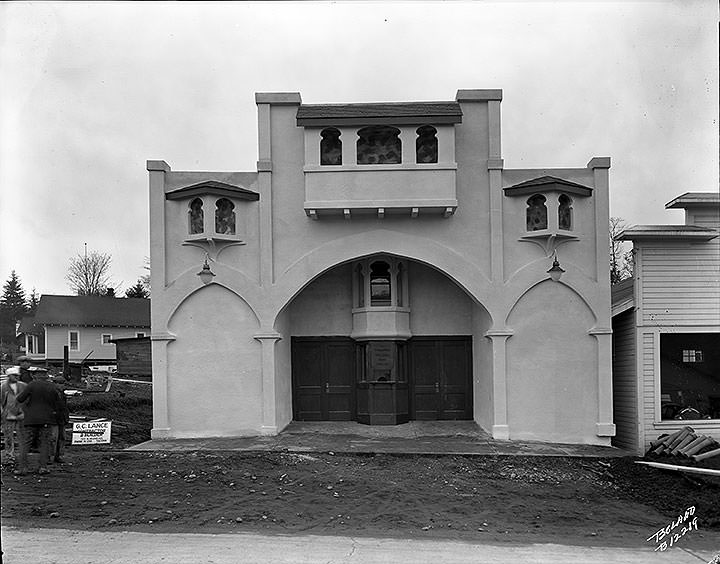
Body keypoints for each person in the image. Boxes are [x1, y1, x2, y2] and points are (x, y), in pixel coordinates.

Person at [15, 368, 58, 475]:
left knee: (26, 444)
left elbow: (20, 398)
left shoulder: (31, 385)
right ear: (46, 375)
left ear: (35, 375)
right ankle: (43, 467)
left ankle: (23, 468)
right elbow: (57, 402)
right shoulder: (52, 386)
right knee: (44, 443)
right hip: (47, 419)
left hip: (31, 419)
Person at [1, 366, 27, 459]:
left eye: (17, 375)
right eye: (14, 375)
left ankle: (22, 454)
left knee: (23, 435)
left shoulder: (23, 386)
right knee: (8, 435)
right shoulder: (3, 387)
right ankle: (9, 454)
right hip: (8, 414)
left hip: (21, 413)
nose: (16, 377)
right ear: (9, 376)